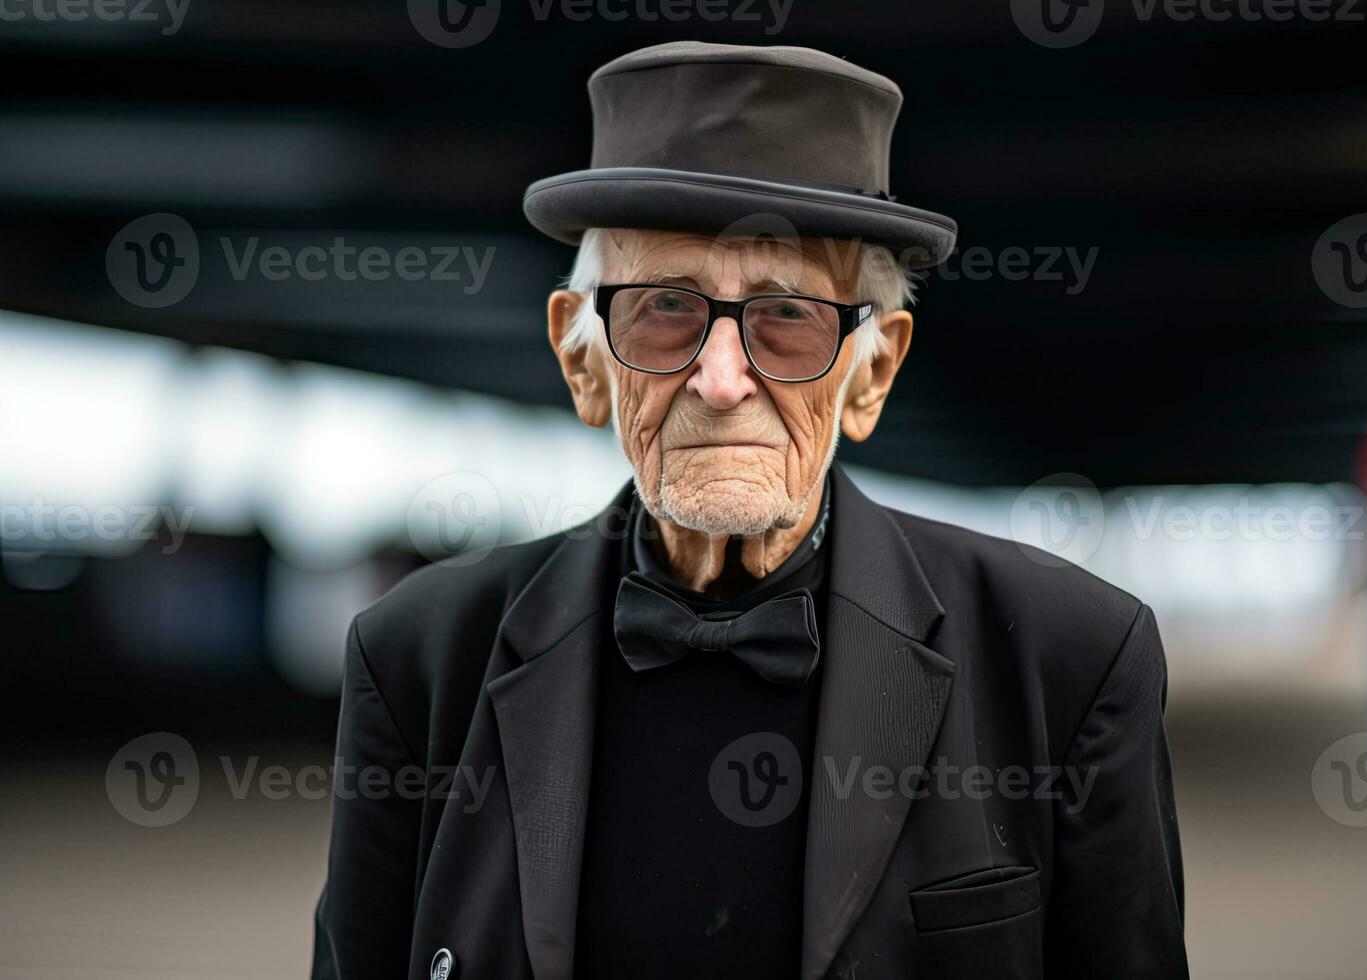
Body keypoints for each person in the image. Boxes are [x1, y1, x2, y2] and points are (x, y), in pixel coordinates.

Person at [311, 41, 1188, 980]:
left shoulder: (1070, 659)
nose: (722, 380)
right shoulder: (417, 657)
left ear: (872, 373)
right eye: (663, 309)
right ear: (583, 365)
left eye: (787, 316)